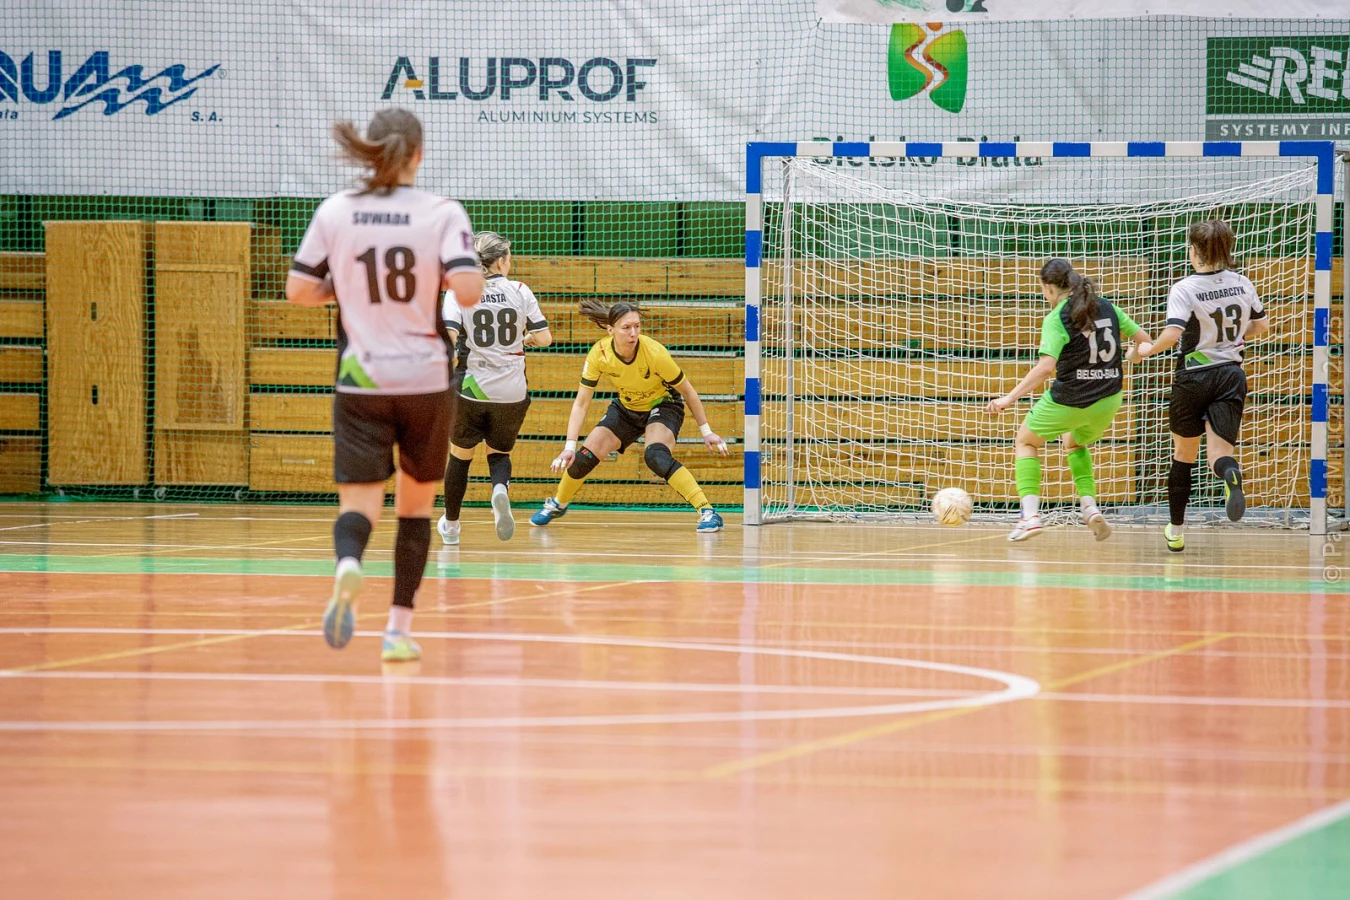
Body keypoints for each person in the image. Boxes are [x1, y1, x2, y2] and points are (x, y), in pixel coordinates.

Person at [285, 107, 484, 662]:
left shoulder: (337, 210)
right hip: (424, 378)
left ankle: (348, 564)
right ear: (419, 153)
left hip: (361, 376)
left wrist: (348, 286)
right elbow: (469, 290)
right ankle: (397, 630)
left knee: (359, 504)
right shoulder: (441, 212)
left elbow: (298, 291)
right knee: (415, 509)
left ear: (370, 150)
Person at [529, 300, 731, 532]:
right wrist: (569, 446)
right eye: (626, 327)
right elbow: (581, 403)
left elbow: (688, 391)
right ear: (610, 330)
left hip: (663, 405)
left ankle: (707, 511)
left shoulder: (654, 353)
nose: (633, 333)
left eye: (637, 326)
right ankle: (558, 503)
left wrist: (706, 431)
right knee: (582, 457)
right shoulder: (600, 353)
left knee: (656, 456)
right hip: (626, 407)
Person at [987, 258, 1152, 542]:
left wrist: (1008, 398)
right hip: (1109, 399)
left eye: (1043, 290)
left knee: (1026, 441)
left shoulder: (1057, 318)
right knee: (1074, 442)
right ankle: (1089, 508)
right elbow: (1145, 341)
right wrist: (1134, 354)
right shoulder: (1108, 307)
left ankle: (1030, 517)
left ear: (1050, 288)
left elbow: (1045, 368)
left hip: (1070, 399)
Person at [1131, 219, 1268, 552]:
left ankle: (1176, 531)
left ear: (1194, 251)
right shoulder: (1242, 282)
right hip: (1231, 375)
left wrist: (1147, 350)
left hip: (1193, 376)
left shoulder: (1185, 287)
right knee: (1219, 456)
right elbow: (1261, 326)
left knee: (1183, 456)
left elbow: (1172, 334)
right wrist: (1230, 339)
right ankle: (1230, 472)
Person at [437, 231, 553, 546]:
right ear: (501, 261)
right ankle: (499, 490)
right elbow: (545, 339)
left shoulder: (459, 292)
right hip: (512, 390)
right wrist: (525, 339)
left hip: (472, 387)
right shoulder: (520, 290)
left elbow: (449, 338)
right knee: (499, 453)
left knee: (460, 456)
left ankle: (451, 526)